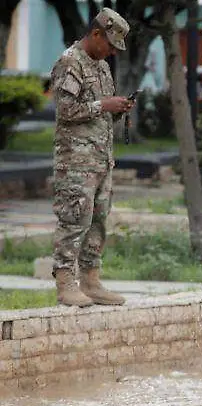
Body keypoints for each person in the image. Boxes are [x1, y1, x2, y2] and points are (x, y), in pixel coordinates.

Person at [49, 8, 133, 307]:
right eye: (109, 45)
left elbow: (99, 111)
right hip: (75, 163)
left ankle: (91, 280)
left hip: (100, 160)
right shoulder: (70, 62)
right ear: (96, 34)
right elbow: (65, 111)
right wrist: (102, 105)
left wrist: (117, 108)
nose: (111, 51)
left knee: (98, 222)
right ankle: (65, 283)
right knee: (73, 221)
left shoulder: (101, 67)